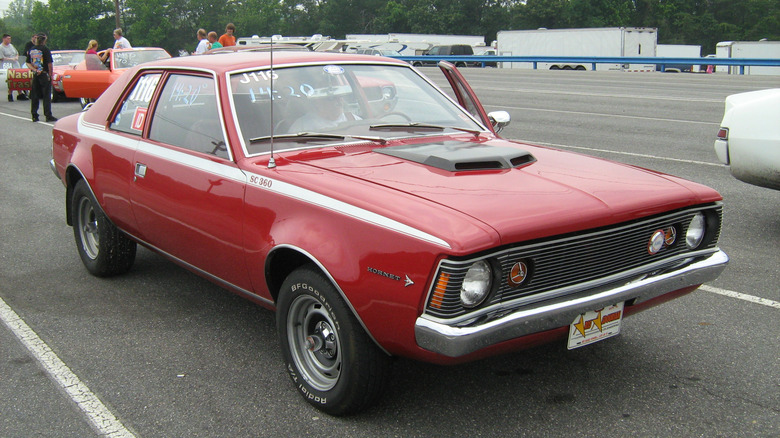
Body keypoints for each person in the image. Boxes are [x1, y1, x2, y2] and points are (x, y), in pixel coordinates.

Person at [288, 92, 361, 132]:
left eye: (340, 97)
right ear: (318, 102)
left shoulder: (353, 119)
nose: (338, 101)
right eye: (331, 98)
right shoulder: (302, 125)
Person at [25, 33, 56, 122]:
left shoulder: (32, 49)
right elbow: (49, 63)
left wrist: (34, 70)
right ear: (44, 41)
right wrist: (50, 74)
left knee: (35, 95)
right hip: (44, 73)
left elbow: (28, 63)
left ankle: (34, 115)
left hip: (36, 74)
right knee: (46, 95)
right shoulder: (45, 49)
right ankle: (48, 115)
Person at [1, 34, 28, 101]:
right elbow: (1, 58)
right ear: (4, 39)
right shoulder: (1, 47)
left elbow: (16, 53)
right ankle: (10, 94)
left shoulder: (11, 46)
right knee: (11, 80)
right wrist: (10, 59)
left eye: (10, 39)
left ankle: (20, 93)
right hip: (7, 65)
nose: (9, 40)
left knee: (18, 79)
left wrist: (16, 57)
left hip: (15, 65)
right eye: (8, 39)